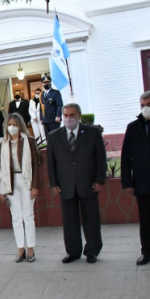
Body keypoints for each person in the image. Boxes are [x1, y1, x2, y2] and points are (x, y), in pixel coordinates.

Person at [47, 103, 107, 264]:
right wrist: (54, 183)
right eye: (65, 115)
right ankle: (73, 251)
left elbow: (101, 158)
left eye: (72, 115)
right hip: (65, 185)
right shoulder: (54, 136)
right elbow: (51, 162)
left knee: (91, 219)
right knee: (69, 221)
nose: (68, 118)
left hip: (88, 183)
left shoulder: (92, 133)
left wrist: (99, 180)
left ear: (78, 116)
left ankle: (92, 251)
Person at [0, 113, 41, 262]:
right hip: (10, 182)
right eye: (9, 124)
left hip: (26, 180)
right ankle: (20, 249)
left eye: (15, 125)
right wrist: (1, 190)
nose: (12, 127)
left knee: (28, 216)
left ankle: (30, 249)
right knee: (16, 218)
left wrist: (35, 186)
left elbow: (36, 165)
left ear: (20, 125)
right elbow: (1, 168)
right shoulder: (3, 143)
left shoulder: (29, 141)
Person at [121, 91, 150, 265]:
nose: (146, 108)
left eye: (148, 104)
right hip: (143, 182)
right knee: (145, 220)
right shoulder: (133, 127)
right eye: (142, 105)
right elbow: (125, 157)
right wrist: (127, 181)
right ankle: (146, 251)